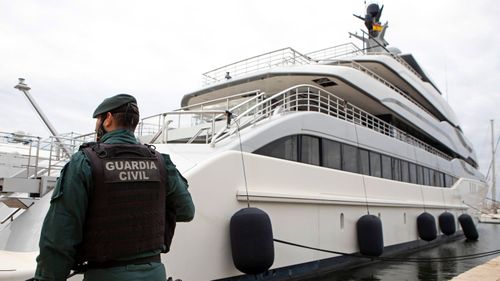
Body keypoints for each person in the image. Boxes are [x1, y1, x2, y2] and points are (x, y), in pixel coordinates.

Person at [34, 94, 195, 281]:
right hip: (154, 274)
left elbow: (59, 235)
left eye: (98, 121)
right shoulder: (160, 162)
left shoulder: (85, 161)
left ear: (108, 119)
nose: (96, 126)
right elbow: (186, 211)